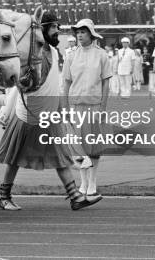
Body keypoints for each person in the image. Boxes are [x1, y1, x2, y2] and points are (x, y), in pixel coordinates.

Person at [0, 12, 95, 211]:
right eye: (54, 27)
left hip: (47, 113)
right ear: (44, 29)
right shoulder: (34, 54)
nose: (57, 30)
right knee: (17, 157)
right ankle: (4, 196)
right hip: (30, 114)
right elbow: (23, 84)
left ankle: (74, 195)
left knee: (59, 155)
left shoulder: (54, 52)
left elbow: (53, 84)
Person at [61, 19, 111, 204]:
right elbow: (66, 82)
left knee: (94, 147)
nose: (79, 35)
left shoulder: (101, 55)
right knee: (78, 147)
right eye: (77, 32)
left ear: (91, 33)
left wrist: (103, 108)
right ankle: (83, 183)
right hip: (75, 106)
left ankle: (93, 182)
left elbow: (106, 82)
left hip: (94, 106)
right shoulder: (71, 55)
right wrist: (65, 108)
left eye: (83, 32)